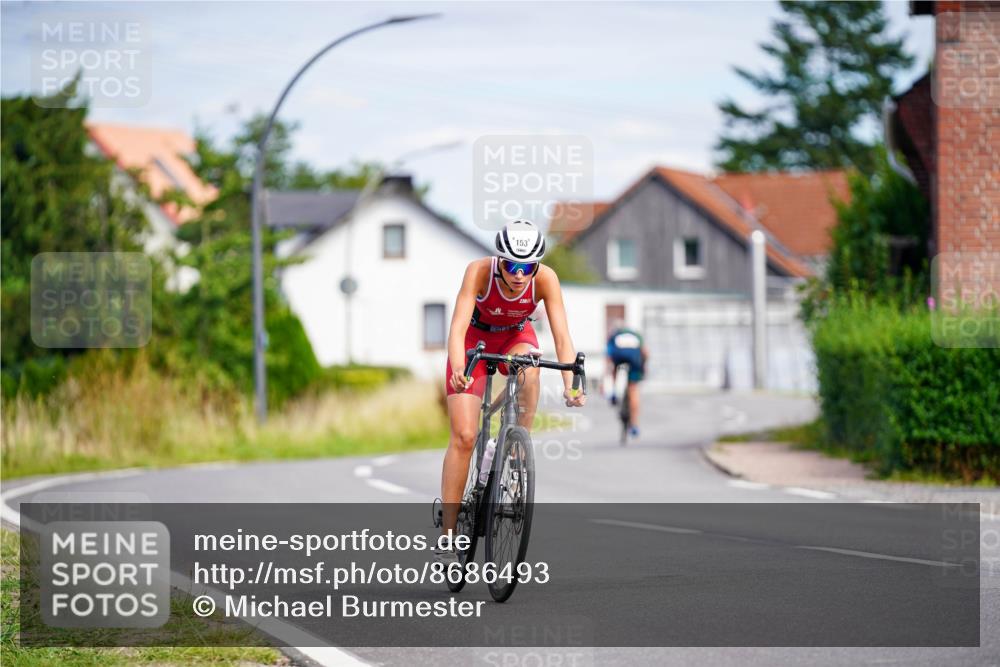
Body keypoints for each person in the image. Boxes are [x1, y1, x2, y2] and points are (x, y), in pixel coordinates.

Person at [434, 220, 586, 565]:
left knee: (530, 367)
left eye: (528, 267)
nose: (520, 275)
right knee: (464, 435)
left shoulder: (545, 279)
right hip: (475, 341)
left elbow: (562, 336)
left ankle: (516, 446)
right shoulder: (478, 272)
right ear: (499, 260)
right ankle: (448, 533)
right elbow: (457, 329)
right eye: (513, 266)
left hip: (515, 336)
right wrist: (459, 369)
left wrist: (570, 386)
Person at [606, 320, 647, 437]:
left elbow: (608, 356)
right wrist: (643, 367)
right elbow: (645, 352)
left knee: (613, 369)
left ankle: (614, 392)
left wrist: (609, 370)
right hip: (634, 360)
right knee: (633, 390)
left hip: (618, 358)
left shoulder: (614, 335)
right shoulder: (636, 335)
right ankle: (634, 425)